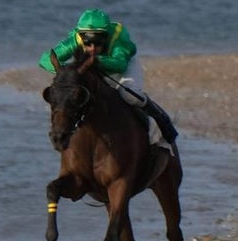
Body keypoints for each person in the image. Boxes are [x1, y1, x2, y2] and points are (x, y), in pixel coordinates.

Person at [38, 8, 179, 147]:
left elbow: (120, 64)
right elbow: (45, 59)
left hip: (121, 64)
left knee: (130, 95)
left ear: (106, 37)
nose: (92, 48)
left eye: (98, 42)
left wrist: (97, 61)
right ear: (81, 37)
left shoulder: (118, 36)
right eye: (87, 43)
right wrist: (67, 72)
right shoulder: (75, 38)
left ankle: (159, 117)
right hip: (91, 65)